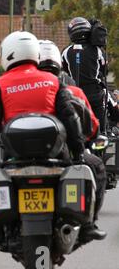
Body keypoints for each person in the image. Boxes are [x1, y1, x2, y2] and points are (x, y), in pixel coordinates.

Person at [0, 31, 105, 243]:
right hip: (56, 154)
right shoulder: (52, 81)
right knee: (97, 168)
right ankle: (88, 224)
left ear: (6, 54)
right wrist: (78, 153)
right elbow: (70, 119)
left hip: (13, 156)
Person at [38, 39, 106, 238]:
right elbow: (93, 127)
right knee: (98, 170)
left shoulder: (23, 89)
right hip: (66, 157)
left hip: (22, 158)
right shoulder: (74, 92)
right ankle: (89, 224)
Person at [62, 17, 108, 134]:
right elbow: (103, 69)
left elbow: (65, 72)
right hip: (95, 94)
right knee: (101, 129)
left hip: (76, 95)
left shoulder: (66, 52)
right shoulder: (97, 50)